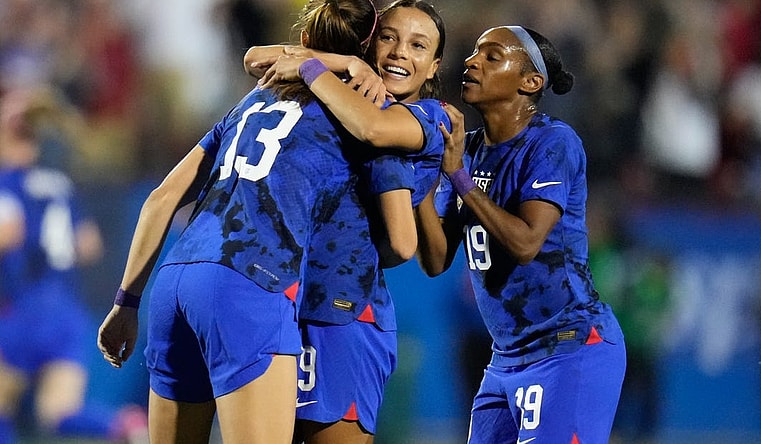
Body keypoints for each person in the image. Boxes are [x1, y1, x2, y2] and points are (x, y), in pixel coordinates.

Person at [95, 1, 381, 443]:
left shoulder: (252, 101)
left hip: (175, 282)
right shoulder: (355, 114)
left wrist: (125, 302)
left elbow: (161, 198)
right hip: (251, 282)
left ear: (303, 42)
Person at [243, 1, 448, 442]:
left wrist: (358, 256)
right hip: (291, 308)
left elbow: (405, 245)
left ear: (434, 67)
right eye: (389, 38)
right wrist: (344, 62)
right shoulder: (346, 100)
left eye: (417, 45)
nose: (397, 53)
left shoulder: (423, 118)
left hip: (346, 315)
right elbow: (256, 57)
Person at [413, 26, 626, 443]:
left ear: (531, 82)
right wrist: (420, 178)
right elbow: (436, 260)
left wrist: (457, 176)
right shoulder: (467, 149)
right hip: (505, 358)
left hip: (568, 345)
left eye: (492, 57)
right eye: (474, 52)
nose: (472, 62)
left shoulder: (551, 143)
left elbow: (527, 243)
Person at [0, 88, 147, 444]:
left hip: (22, 311)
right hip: (66, 314)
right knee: (59, 412)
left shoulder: (8, 183)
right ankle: (125, 427)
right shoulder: (60, 185)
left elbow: (8, 233)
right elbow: (88, 244)